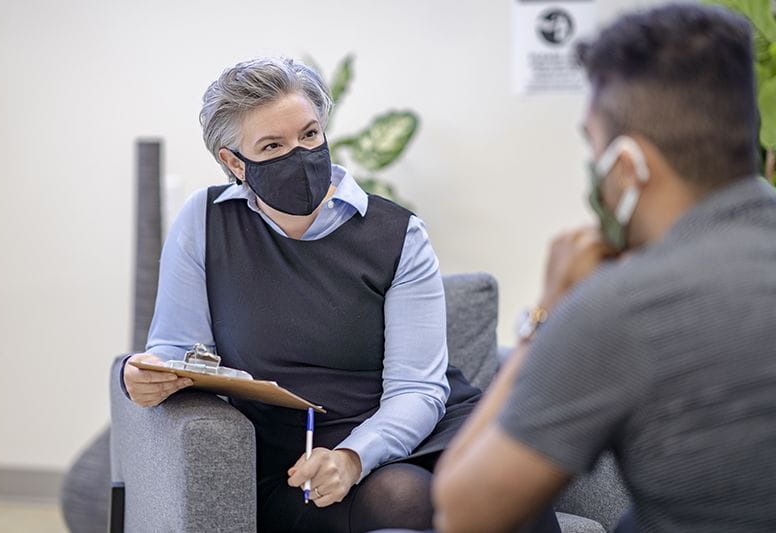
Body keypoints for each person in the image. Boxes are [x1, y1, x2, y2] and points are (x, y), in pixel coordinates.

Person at [117, 57, 558, 533]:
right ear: (234, 162)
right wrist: (141, 375)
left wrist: (353, 456)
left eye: (309, 134)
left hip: (416, 428)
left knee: (505, 487)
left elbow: (418, 389)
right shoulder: (206, 222)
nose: (300, 155)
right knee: (403, 497)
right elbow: (177, 350)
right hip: (299, 457)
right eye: (272, 145)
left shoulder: (398, 235)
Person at [433, 4, 776, 533]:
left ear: (628, 166)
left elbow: (463, 512)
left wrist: (544, 317)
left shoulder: (623, 309)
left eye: (593, 148)